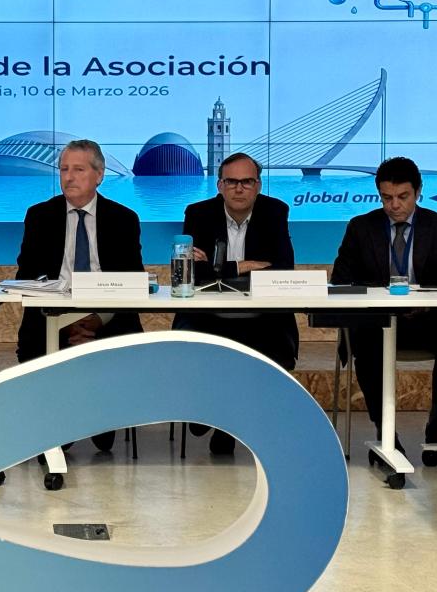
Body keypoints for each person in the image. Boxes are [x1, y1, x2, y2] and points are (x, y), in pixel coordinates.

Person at [331, 156, 437, 449]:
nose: (394, 205)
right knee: (365, 342)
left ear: (418, 191)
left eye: (402, 197)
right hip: (377, 322)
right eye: (387, 198)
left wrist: (428, 302)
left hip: (426, 321)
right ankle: (385, 432)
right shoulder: (360, 227)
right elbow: (340, 280)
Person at [16, 139, 144, 452]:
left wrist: (95, 320)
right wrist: (66, 320)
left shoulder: (123, 219)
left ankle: (96, 415)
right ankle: (65, 424)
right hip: (52, 319)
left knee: (118, 343)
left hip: (108, 319)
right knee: (39, 346)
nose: (69, 177)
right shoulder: (40, 216)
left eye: (78, 169)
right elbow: (26, 277)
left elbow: (133, 282)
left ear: (99, 175)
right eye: (63, 170)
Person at [172, 152, 299, 454]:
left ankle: (221, 418)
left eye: (247, 182)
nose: (239, 188)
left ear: (258, 186)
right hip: (209, 315)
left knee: (258, 352)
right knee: (203, 349)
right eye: (231, 182)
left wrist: (219, 268)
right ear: (219, 186)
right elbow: (193, 273)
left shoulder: (275, 211)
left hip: (262, 318)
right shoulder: (199, 213)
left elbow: (283, 268)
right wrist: (244, 266)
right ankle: (213, 413)